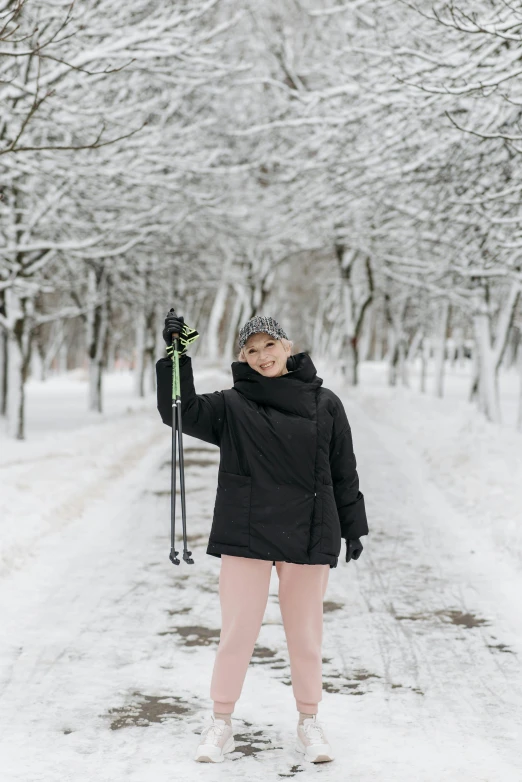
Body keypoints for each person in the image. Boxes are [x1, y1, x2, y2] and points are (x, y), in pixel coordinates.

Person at [156, 310, 368, 764]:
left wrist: (353, 526)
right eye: (251, 349)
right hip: (246, 531)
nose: (261, 355)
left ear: (287, 347)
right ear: (243, 357)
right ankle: (221, 721)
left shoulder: (325, 403)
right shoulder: (231, 406)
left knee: (306, 634)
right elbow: (179, 412)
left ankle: (309, 719)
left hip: (309, 529)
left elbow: (343, 470)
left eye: (269, 345)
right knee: (236, 632)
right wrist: (177, 358)